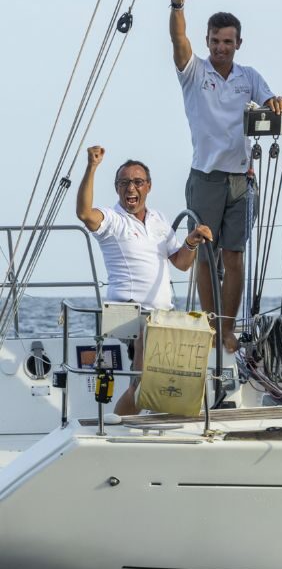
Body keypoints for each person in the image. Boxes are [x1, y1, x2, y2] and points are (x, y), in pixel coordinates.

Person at [166, 0, 282, 353]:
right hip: (205, 177)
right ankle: (211, 326)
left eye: (228, 42)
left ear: (238, 44)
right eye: (216, 41)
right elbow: (178, 41)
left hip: (240, 180)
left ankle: (228, 330)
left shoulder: (248, 76)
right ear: (207, 41)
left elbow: (271, 102)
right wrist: (177, 5)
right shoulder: (194, 72)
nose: (221, 47)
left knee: (234, 256)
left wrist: (277, 103)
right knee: (206, 254)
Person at [76, 145, 213, 415]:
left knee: (192, 347)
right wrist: (92, 168)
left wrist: (191, 242)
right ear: (117, 188)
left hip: (161, 314)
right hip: (128, 314)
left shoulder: (160, 219)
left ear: (148, 186)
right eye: (124, 183)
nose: (131, 188)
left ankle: (166, 419)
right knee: (142, 378)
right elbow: (84, 213)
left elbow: (182, 263)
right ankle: (117, 427)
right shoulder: (113, 219)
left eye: (137, 182)